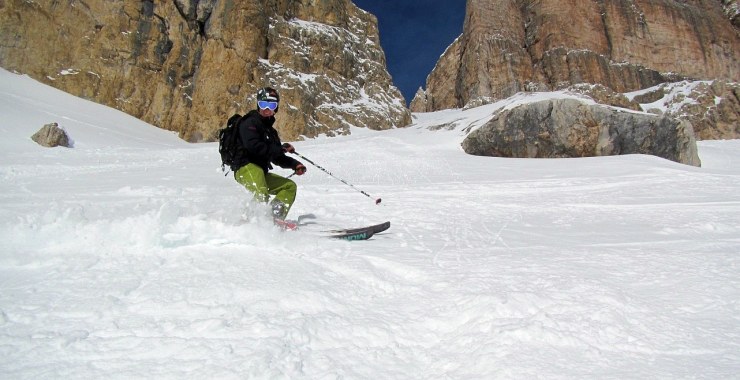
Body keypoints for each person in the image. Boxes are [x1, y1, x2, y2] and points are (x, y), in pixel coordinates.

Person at [232, 87, 306, 226]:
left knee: (289, 187)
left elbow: (276, 156)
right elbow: (253, 146)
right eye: (263, 104)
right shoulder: (249, 123)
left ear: (276, 108)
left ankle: (273, 218)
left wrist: (295, 164)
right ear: (258, 105)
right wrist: (280, 148)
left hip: (260, 171)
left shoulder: (271, 132)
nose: (267, 108)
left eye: (271, 105)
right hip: (245, 167)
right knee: (261, 193)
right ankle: (252, 224)